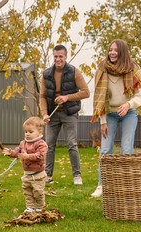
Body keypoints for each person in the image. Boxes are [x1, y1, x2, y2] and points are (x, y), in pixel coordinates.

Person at [91, 39, 141, 198]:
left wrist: (129, 105)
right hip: (109, 114)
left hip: (128, 113)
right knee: (106, 149)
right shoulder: (102, 69)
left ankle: (125, 184)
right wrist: (103, 121)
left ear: (122, 52)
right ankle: (102, 185)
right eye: (110, 50)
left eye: (116, 50)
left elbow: (139, 96)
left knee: (126, 149)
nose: (112, 53)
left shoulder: (132, 69)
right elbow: (99, 99)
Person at [39, 45, 90, 185]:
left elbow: (86, 92)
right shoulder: (46, 74)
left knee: (71, 144)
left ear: (65, 57)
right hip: (52, 114)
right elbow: (42, 96)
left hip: (69, 113)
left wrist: (67, 97)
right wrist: (44, 114)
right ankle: (47, 176)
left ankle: (77, 175)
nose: (58, 59)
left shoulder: (74, 71)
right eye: (55, 56)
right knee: (49, 145)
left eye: (61, 56)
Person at [2, 117, 48, 213]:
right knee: (27, 192)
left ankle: (40, 207)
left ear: (39, 132)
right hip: (27, 174)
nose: (27, 134)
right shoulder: (23, 143)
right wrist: (10, 152)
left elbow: (40, 156)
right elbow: (16, 152)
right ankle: (30, 208)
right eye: (26, 131)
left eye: (31, 132)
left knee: (38, 192)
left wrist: (28, 156)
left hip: (38, 175)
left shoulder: (41, 144)